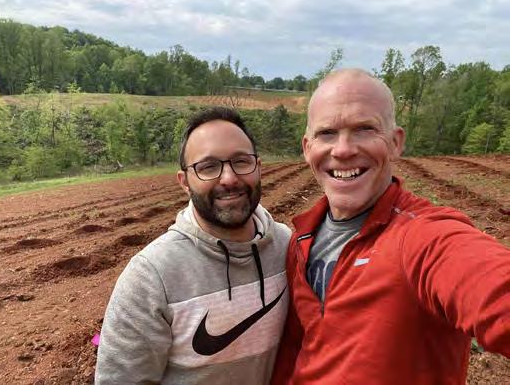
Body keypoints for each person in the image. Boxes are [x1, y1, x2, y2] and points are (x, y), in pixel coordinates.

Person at [271, 69, 510, 385]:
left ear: (396, 142)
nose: (343, 149)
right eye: (327, 133)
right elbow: (295, 349)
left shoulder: (423, 236)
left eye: (364, 129)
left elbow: (492, 288)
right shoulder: (300, 240)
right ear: (307, 148)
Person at [96, 107, 291, 385]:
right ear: (184, 182)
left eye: (241, 161)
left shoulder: (288, 246)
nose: (229, 178)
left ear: (258, 168)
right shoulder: (152, 276)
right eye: (208, 167)